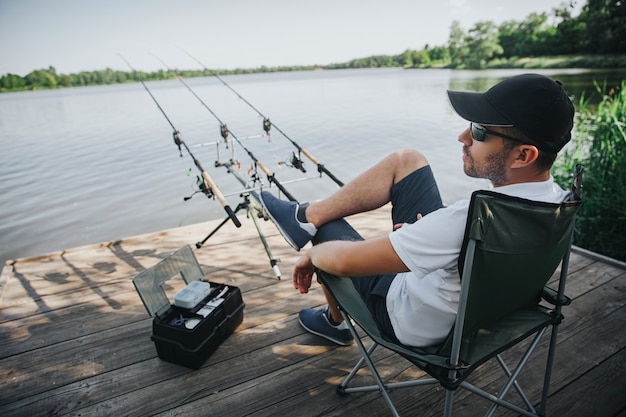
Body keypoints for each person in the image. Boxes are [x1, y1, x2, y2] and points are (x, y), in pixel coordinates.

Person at [260, 73, 575, 347]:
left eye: (479, 132)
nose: (463, 137)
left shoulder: (462, 221)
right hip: (477, 311)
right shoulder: (559, 203)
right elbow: (459, 238)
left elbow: (341, 261)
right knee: (408, 161)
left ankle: (334, 318)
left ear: (523, 156)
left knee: (327, 233)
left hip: (410, 320)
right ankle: (305, 217)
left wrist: (313, 256)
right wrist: (428, 235)